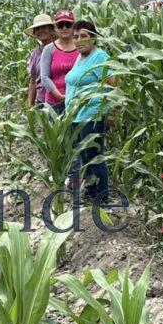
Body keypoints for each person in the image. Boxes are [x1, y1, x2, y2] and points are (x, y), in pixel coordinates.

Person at [64, 20, 113, 202]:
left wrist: (111, 113)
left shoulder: (100, 57)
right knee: (85, 155)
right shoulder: (80, 57)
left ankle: (102, 196)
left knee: (94, 156)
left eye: (83, 36)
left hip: (91, 115)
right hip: (77, 116)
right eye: (75, 37)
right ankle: (91, 191)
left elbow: (112, 84)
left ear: (93, 37)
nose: (78, 40)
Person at [39, 10, 80, 115]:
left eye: (68, 24)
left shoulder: (81, 47)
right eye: (60, 25)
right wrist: (60, 96)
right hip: (54, 105)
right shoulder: (49, 49)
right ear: (55, 28)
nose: (64, 28)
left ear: (74, 27)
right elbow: (44, 77)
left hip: (77, 103)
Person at [25, 14, 56, 107]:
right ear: (34, 33)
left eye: (43, 27)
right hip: (42, 101)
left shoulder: (60, 49)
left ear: (51, 30)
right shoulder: (35, 54)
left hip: (60, 101)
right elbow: (33, 81)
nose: (40, 30)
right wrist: (31, 105)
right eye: (37, 29)